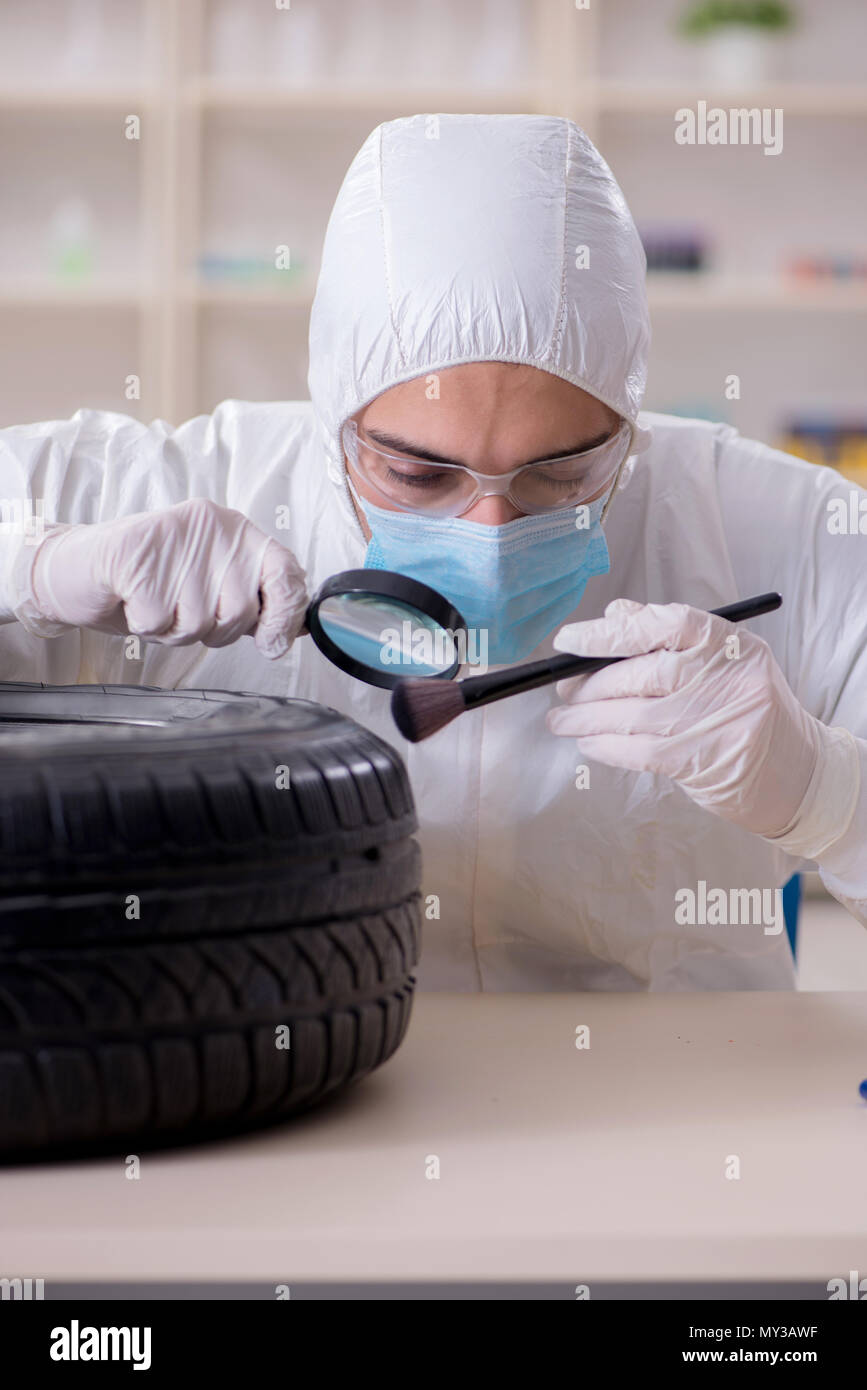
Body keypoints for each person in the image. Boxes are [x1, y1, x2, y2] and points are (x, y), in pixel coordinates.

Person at [1, 113, 865, 992]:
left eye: (559, 474)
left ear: (626, 426)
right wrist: (34, 570)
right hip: (254, 1088)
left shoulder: (791, 531)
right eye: (416, 473)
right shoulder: (168, 490)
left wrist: (825, 794)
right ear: (336, 419)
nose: (488, 535)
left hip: (684, 1095)